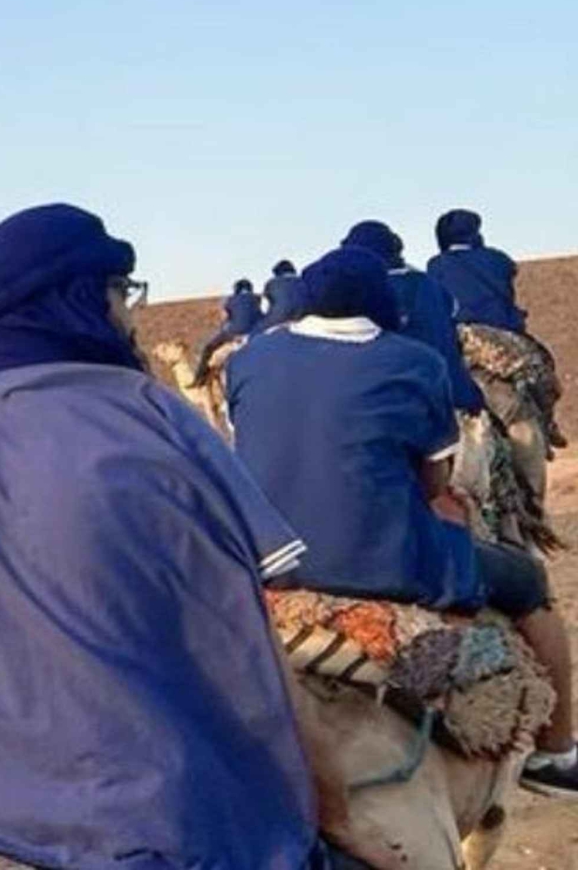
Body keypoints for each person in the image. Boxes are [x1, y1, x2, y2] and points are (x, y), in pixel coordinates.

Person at [0, 203, 355, 868]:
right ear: (87, 303)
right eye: (121, 294)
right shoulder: (164, 420)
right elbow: (254, 633)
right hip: (165, 824)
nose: (129, 316)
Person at [227, 246, 577, 799]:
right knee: (529, 584)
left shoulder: (249, 358)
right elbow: (435, 481)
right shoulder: (415, 361)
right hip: (382, 563)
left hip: (265, 560)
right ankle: (554, 754)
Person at [427, 208, 564, 447]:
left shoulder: (435, 265)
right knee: (541, 370)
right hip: (492, 337)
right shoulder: (497, 260)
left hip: (453, 340)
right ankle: (547, 423)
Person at [341, 221, 483, 414]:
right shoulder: (429, 284)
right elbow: (453, 314)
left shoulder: (361, 294)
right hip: (454, 397)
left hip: (398, 407)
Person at [192, 278, 263, 380]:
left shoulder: (230, 300)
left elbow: (225, 318)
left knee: (208, 348)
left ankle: (200, 378)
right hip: (254, 333)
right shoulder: (257, 299)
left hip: (233, 333)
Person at [257, 259, 310, 332]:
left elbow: (267, 301)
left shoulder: (272, 283)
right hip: (302, 317)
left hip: (278, 318)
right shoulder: (302, 281)